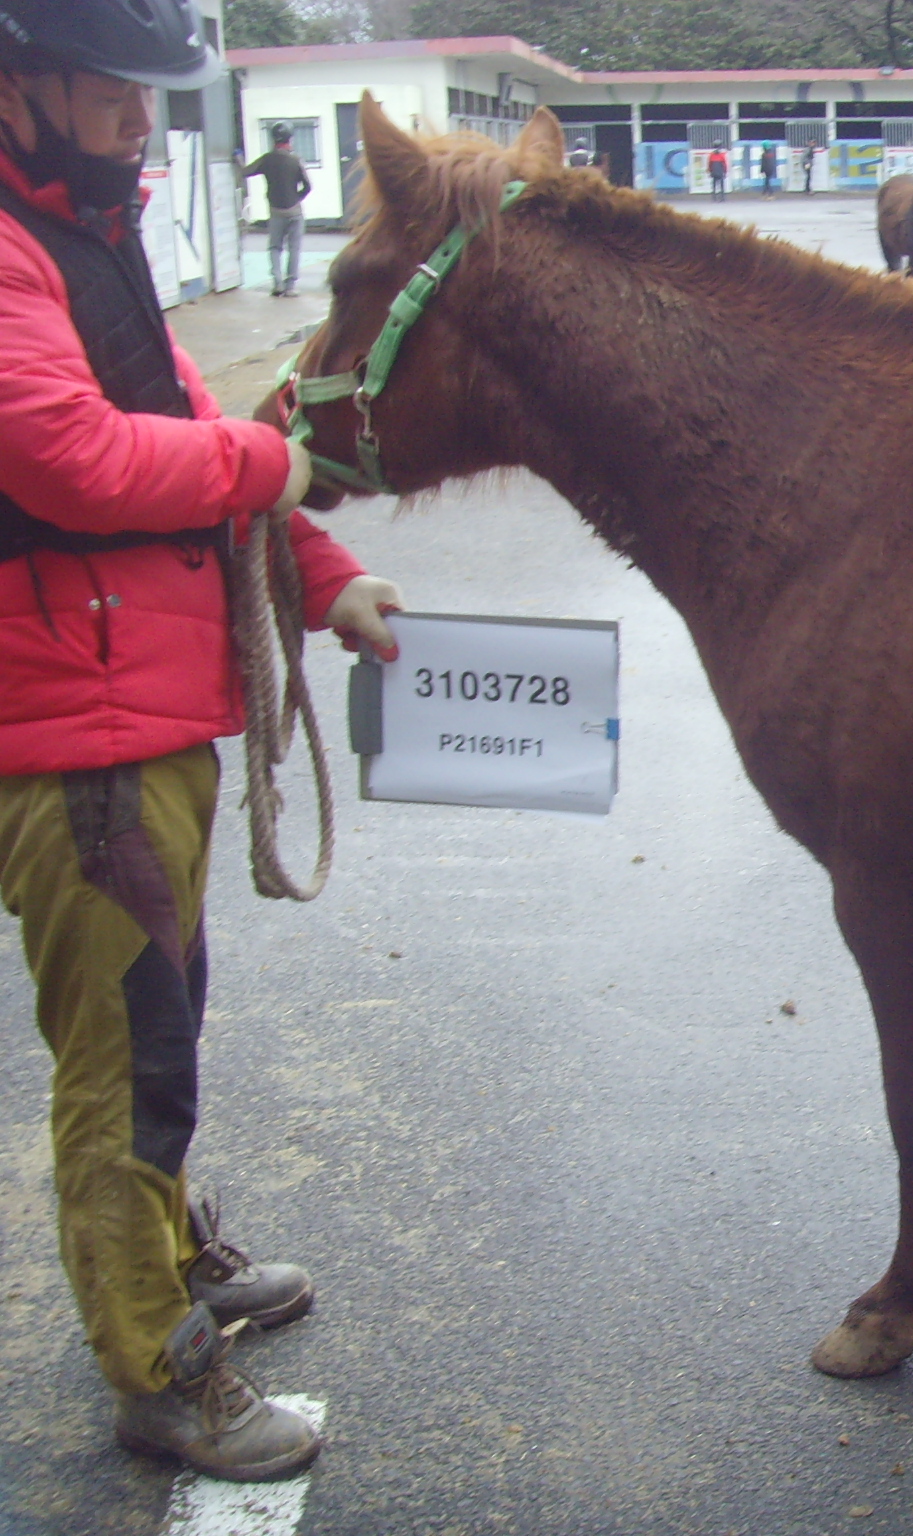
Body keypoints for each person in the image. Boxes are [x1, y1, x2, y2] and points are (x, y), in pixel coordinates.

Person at [0, 0, 404, 1483]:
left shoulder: (88, 240)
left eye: (154, 95)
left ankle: (162, 1263)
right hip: (75, 732)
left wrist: (324, 574)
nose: (143, 121)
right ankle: (159, 1368)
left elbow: (183, 434)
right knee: (124, 1061)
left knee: (162, 1026)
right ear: (20, 83)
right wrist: (268, 456)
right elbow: (74, 457)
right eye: (115, 90)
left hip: (136, 716)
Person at [242, 120, 311, 298]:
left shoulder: (267, 159)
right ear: (290, 139)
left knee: (275, 247)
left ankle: (277, 284)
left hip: (275, 211)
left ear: (273, 139)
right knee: (294, 248)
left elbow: (245, 171)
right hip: (295, 211)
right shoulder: (296, 160)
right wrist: (297, 198)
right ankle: (291, 287)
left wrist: (237, 159)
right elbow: (308, 186)